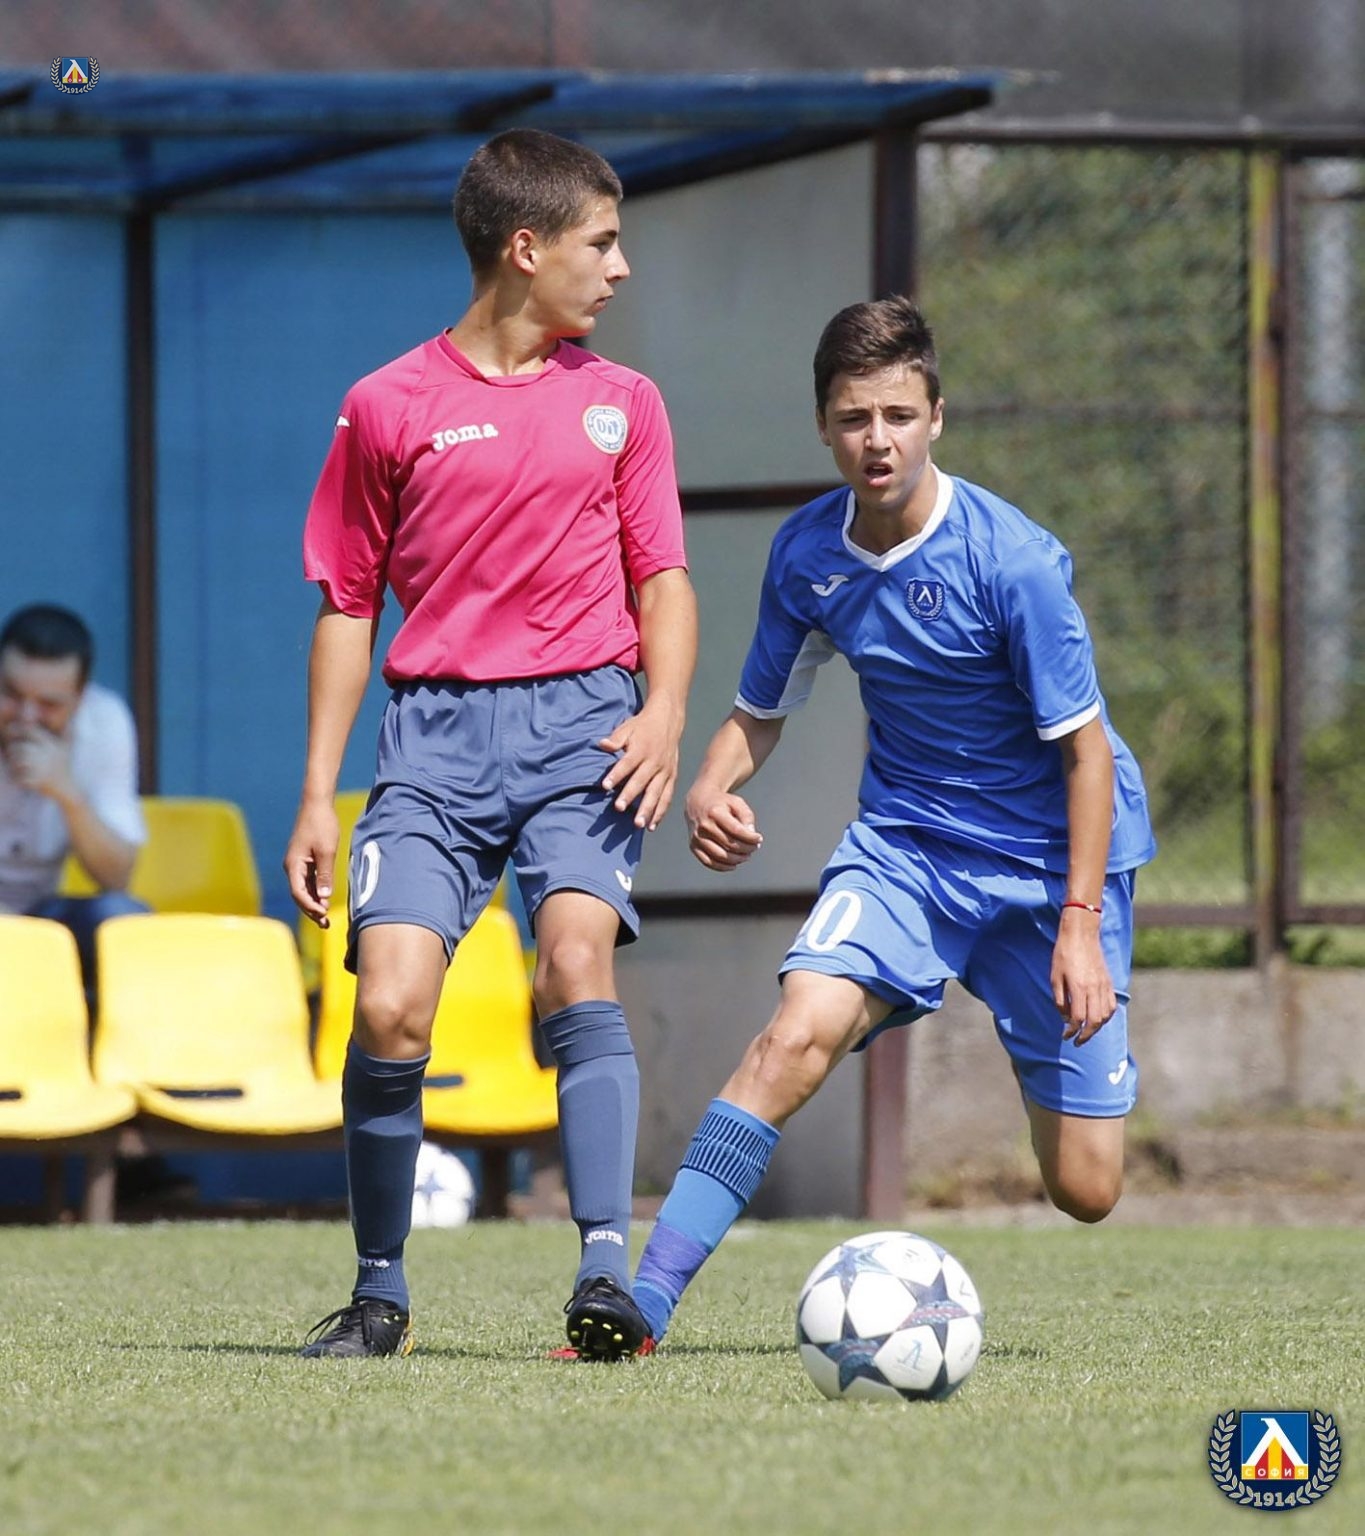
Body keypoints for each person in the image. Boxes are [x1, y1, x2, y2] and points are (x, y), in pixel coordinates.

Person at [629, 296, 1156, 1349]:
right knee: (791, 1038)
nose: (878, 441)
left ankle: (1040, 1053)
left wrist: (1078, 925)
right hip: (906, 851)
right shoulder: (806, 554)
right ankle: (637, 1306)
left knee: (1087, 1187)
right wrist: (709, 786)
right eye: (855, 418)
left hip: (1050, 869)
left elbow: (1087, 753)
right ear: (824, 426)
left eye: (900, 416)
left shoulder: (1012, 562)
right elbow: (758, 713)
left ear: (936, 418)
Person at [285, 128, 696, 1361]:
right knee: (391, 1004)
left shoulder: (626, 404)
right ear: (526, 247)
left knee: (574, 959)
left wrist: (665, 710)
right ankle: (379, 1294)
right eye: (601, 242)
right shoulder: (386, 406)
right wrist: (315, 793)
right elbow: (348, 607)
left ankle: (606, 1274)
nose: (620, 268)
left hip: (585, 731)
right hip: (436, 743)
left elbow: (663, 579)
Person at [0, 603, 147, 998]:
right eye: (11, 695)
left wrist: (67, 792)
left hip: (40, 914)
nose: (26, 717)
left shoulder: (104, 723)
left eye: (48, 704)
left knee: (122, 919)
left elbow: (117, 878)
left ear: (80, 699)